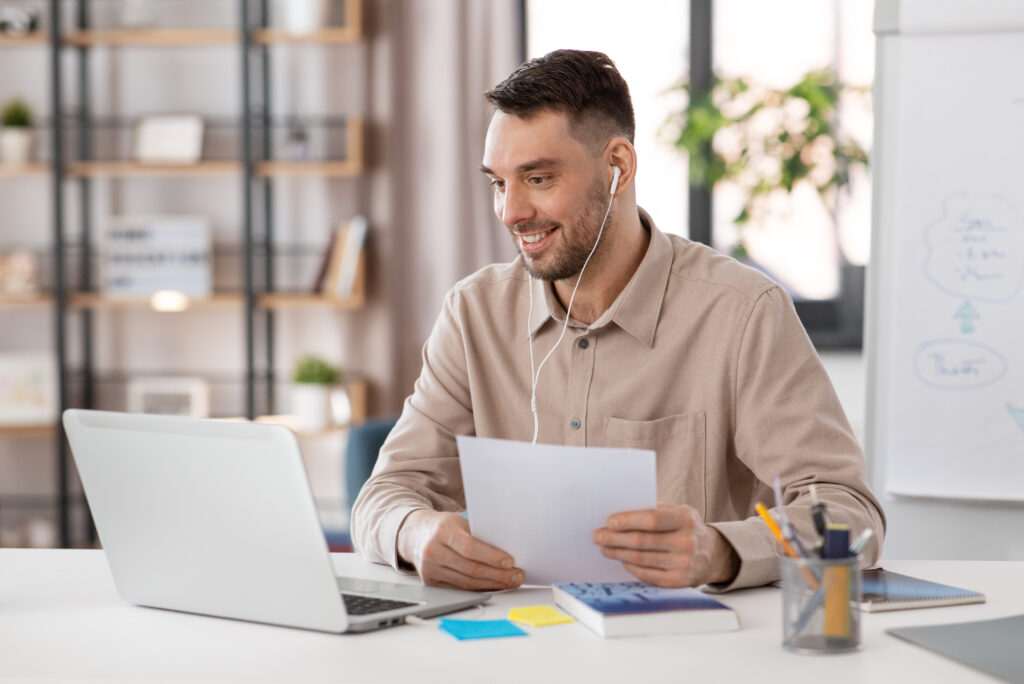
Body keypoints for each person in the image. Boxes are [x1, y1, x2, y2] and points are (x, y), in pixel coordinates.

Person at [352, 49, 884, 592]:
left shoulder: (742, 312)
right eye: (498, 183)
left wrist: (722, 551)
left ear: (618, 168)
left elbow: (848, 512)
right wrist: (414, 534)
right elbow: (385, 494)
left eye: (537, 179)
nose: (511, 212)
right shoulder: (474, 313)